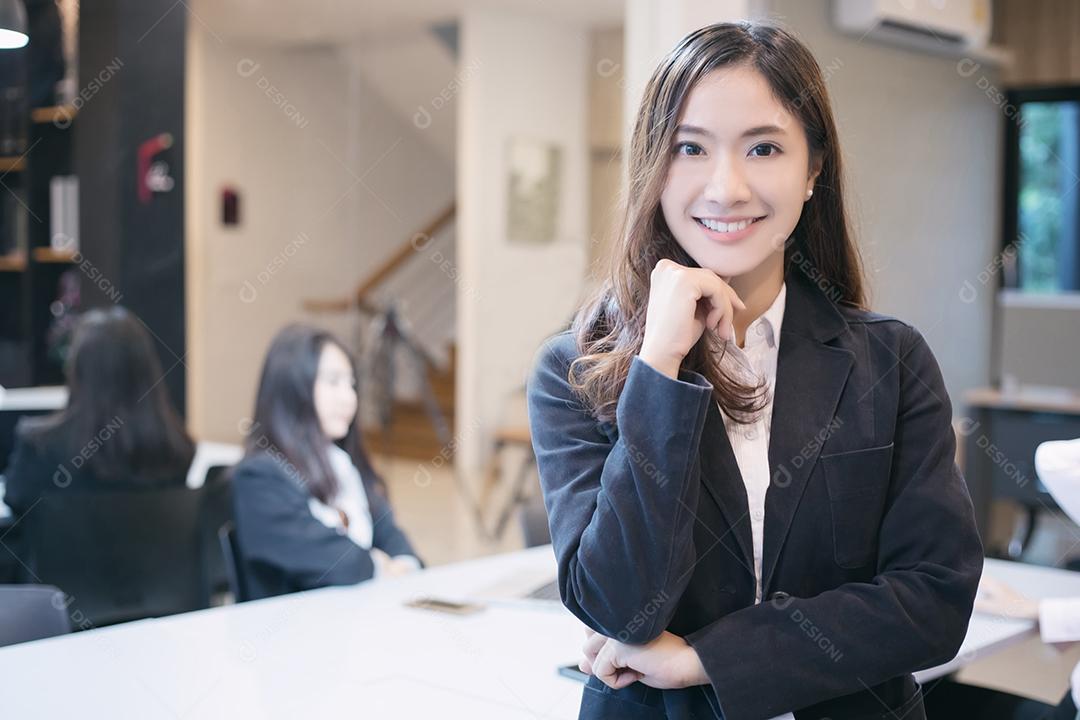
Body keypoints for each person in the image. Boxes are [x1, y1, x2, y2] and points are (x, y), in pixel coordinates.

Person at [526, 21, 982, 720]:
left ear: (814, 168)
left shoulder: (892, 360)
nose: (726, 187)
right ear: (654, 165)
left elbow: (933, 601)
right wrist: (659, 369)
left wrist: (708, 659)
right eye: (690, 148)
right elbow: (620, 604)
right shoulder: (576, 371)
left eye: (763, 148)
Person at [3, 307, 195, 579]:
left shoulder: (40, 447)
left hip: (61, 611)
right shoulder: (177, 448)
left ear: (77, 367)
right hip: (158, 603)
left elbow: (15, 500)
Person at [231, 324, 420, 600]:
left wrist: (404, 565)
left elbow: (392, 537)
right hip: (295, 635)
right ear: (293, 388)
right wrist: (380, 565)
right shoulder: (259, 478)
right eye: (333, 382)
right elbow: (339, 565)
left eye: (351, 384)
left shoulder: (342, 462)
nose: (349, 398)